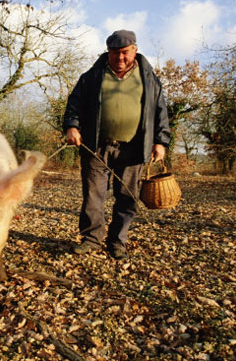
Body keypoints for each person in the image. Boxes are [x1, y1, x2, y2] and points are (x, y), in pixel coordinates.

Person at [63, 29, 170, 259]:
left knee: (127, 197)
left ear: (135, 50)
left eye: (125, 53)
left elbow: (160, 111)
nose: (120, 58)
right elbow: (75, 103)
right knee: (93, 197)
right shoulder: (92, 76)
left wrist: (160, 141)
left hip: (134, 147)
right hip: (96, 146)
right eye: (114, 53)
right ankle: (91, 239)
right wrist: (72, 126)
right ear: (107, 52)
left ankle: (117, 241)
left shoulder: (148, 78)